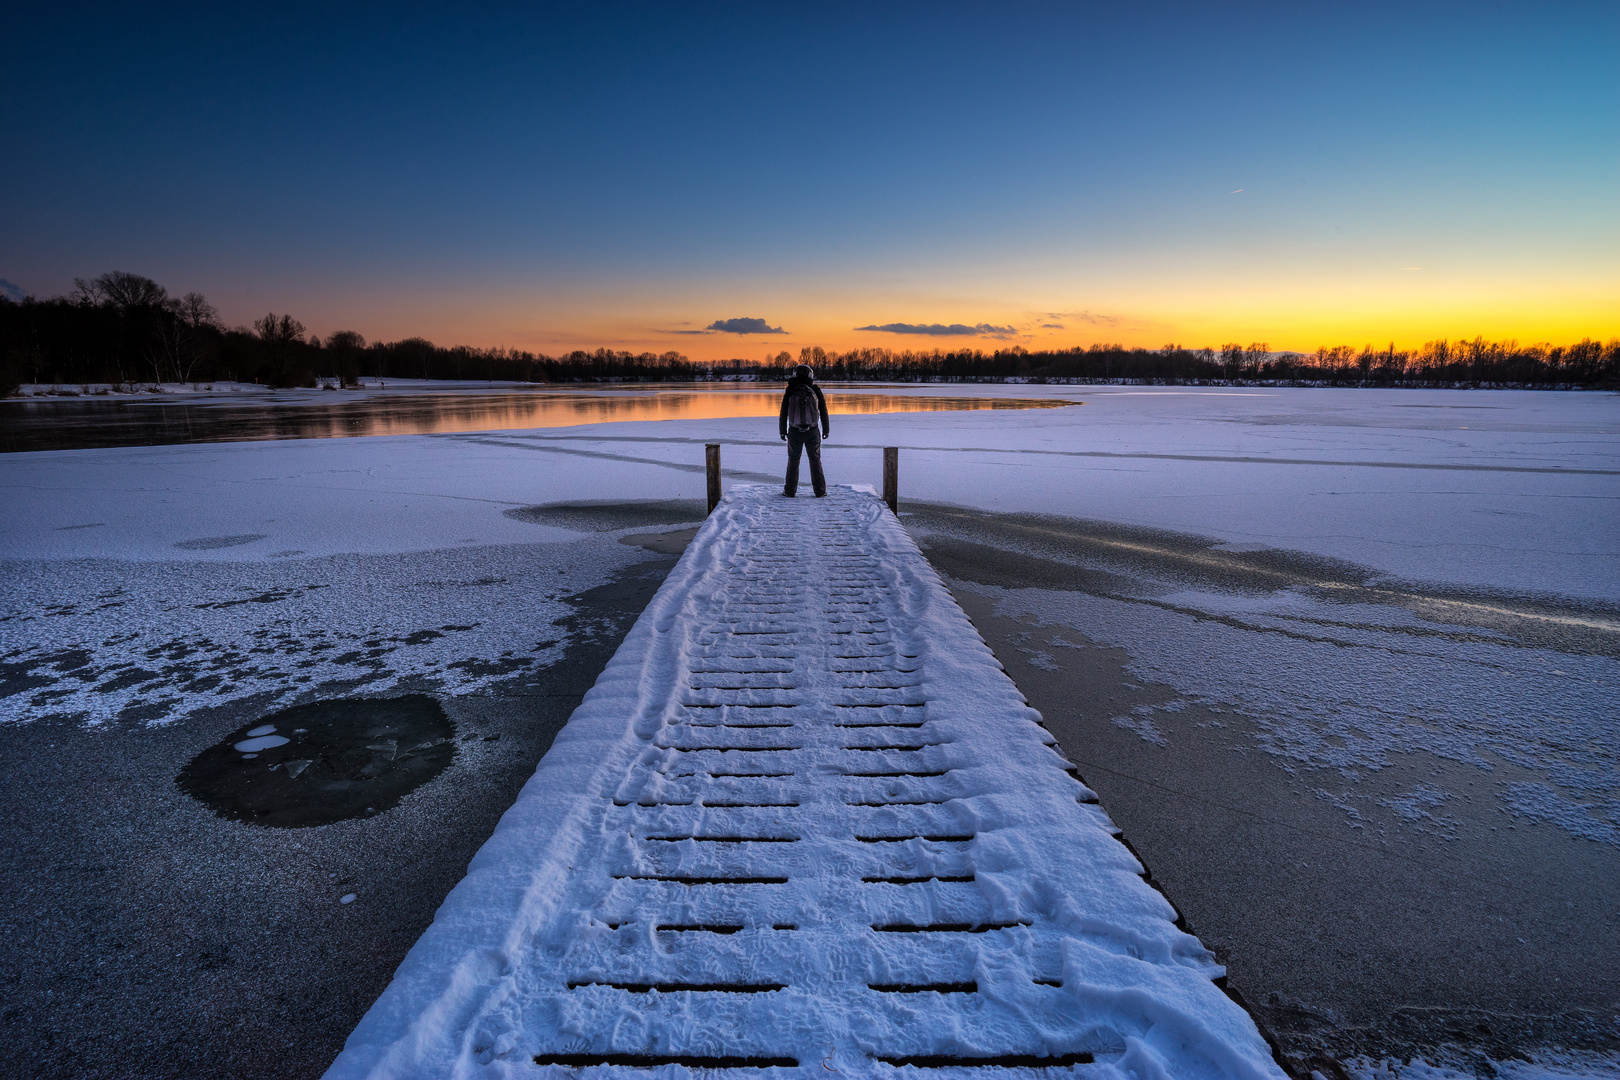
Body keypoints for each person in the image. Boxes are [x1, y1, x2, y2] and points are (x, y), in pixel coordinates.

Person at [778, 363, 830, 497]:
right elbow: (823, 411)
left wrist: (782, 430)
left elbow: (783, 411)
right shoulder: (815, 389)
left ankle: (789, 491)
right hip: (812, 431)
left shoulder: (790, 390)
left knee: (793, 461)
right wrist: (826, 429)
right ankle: (820, 491)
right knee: (815, 460)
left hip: (794, 431)